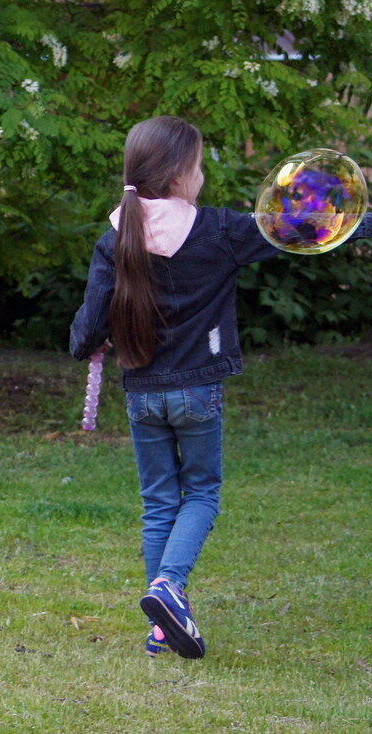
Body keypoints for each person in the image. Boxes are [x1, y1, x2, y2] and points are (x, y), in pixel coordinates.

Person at [70, 115, 372, 659]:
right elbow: (302, 224)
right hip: (199, 392)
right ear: (180, 174)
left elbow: (86, 329)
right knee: (202, 495)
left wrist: (86, 343)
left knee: (160, 503)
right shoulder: (220, 230)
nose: (203, 175)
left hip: (141, 395)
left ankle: (163, 623)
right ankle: (167, 590)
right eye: (200, 164)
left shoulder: (113, 236)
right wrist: (360, 220)